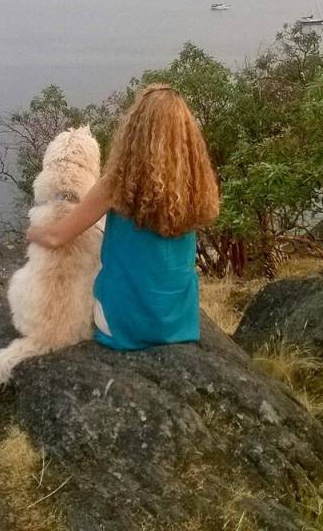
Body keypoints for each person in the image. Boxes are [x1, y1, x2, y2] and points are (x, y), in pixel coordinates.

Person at [26, 84, 220, 350]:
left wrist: (31, 232)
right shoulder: (195, 184)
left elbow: (55, 236)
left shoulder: (117, 184)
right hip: (179, 321)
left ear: (135, 130)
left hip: (123, 323)